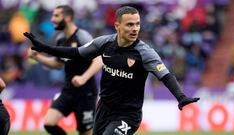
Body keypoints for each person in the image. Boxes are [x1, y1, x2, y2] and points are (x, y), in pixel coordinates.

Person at [24, 6, 200, 135]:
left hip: (128, 114)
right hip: (103, 110)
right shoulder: (104, 43)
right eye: (130, 25)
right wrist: (44, 48)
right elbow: (76, 53)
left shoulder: (145, 52)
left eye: (137, 24)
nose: (135, 29)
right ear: (117, 26)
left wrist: (181, 96)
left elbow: (165, 75)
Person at [27, 5, 102, 135]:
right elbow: (58, 64)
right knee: (49, 123)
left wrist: (83, 78)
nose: (52, 19)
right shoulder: (60, 39)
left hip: (86, 93)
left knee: (86, 133)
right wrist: (38, 57)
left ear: (67, 18)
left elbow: (99, 59)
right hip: (68, 91)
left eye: (56, 16)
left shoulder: (82, 36)